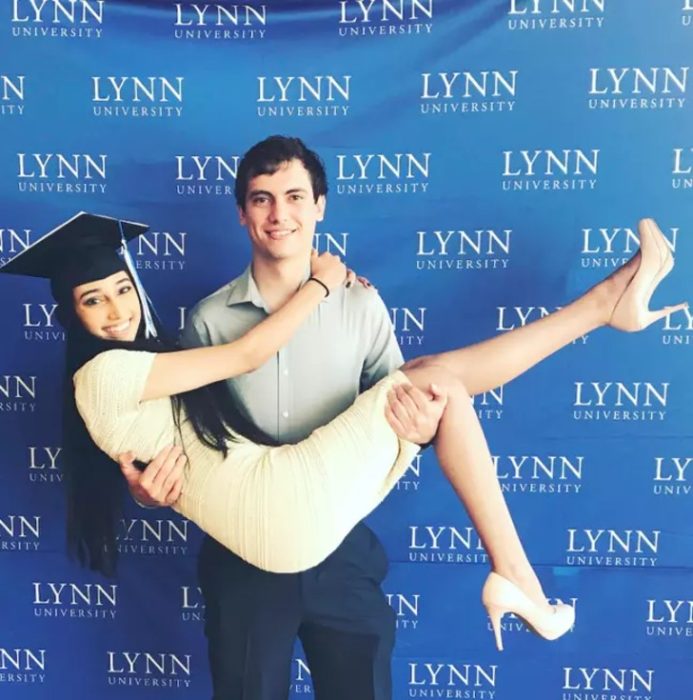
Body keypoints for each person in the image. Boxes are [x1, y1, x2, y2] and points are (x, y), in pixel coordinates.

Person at [1, 172, 686, 697]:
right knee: (439, 378)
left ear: (317, 207)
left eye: (120, 289)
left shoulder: (163, 358)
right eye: (92, 299)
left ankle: (603, 311)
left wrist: (411, 419)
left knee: (433, 383)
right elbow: (244, 358)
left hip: (308, 526)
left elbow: (190, 449)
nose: (115, 308)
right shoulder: (123, 367)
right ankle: (599, 314)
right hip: (268, 531)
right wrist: (320, 284)